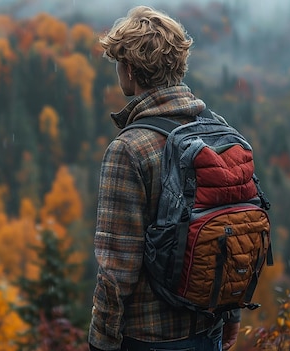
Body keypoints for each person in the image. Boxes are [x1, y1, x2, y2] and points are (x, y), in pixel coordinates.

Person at [88, 6, 240, 351]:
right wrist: (232, 313)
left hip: (149, 337)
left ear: (129, 69)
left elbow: (117, 267)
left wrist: (101, 340)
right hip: (209, 328)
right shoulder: (219, 132)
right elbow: (228, 232)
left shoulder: (129, 148)